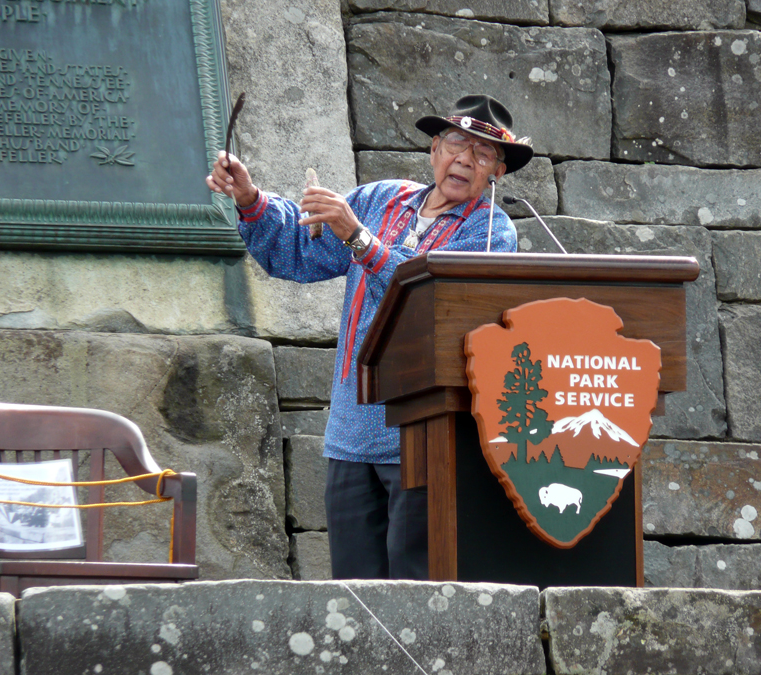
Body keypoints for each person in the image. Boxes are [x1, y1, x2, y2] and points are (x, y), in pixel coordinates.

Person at [206, 94, 533, 580]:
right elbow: (297, 254)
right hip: (351, 436)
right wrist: (251, 201)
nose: (464, 160)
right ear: (434, 150)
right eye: (456, 144)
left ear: (497, 174)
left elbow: (434, 298)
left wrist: (358, 237)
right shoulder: (382, 200)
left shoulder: (491, 233)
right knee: (356, 595)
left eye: (482, 155)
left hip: (427, 439)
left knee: (415, 590)